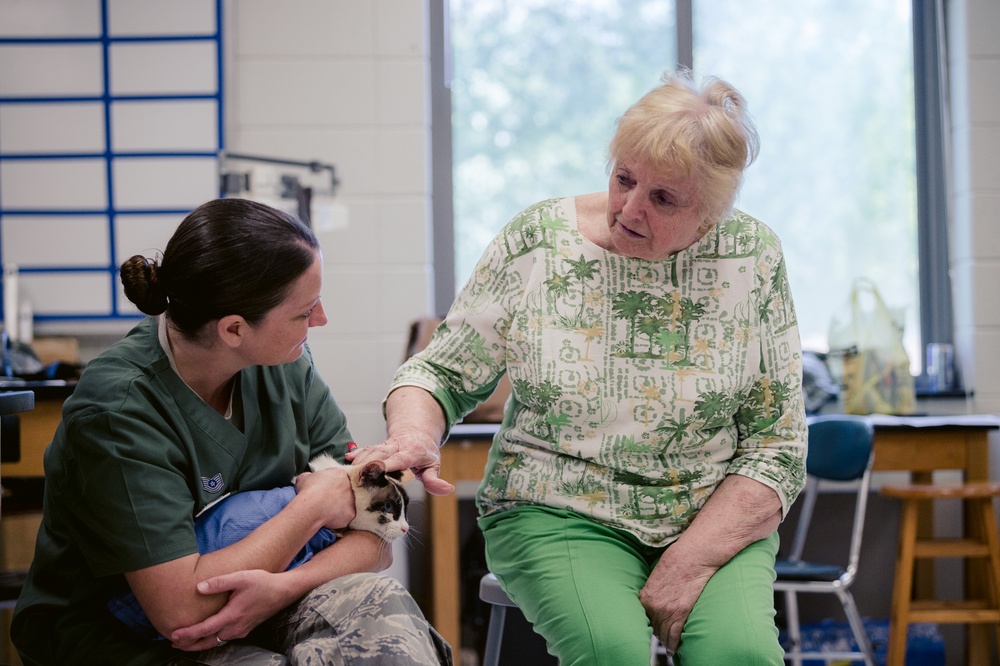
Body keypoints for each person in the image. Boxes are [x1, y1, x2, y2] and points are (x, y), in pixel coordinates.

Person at [350, 72, 808, 665]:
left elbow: (777, 445)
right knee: (611, 651)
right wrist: (414, 434)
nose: (630, 208)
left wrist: (689, 560)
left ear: (712, 216)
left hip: (708, 511)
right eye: (623, 179)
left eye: (664, 199)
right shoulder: (539, 241)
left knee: (739, 655)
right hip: (557, 505)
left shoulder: (752, 258)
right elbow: (440, 370)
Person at [11, 198, 453, 666]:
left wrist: (285, 586)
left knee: (383, 614)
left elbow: (375, 541)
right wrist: (312, 506)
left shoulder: (286, 368)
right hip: (121, 635)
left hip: (271, 595)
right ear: (234, 329)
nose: (320, 320)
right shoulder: (119, 410)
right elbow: (182, 610)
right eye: (304, 312)